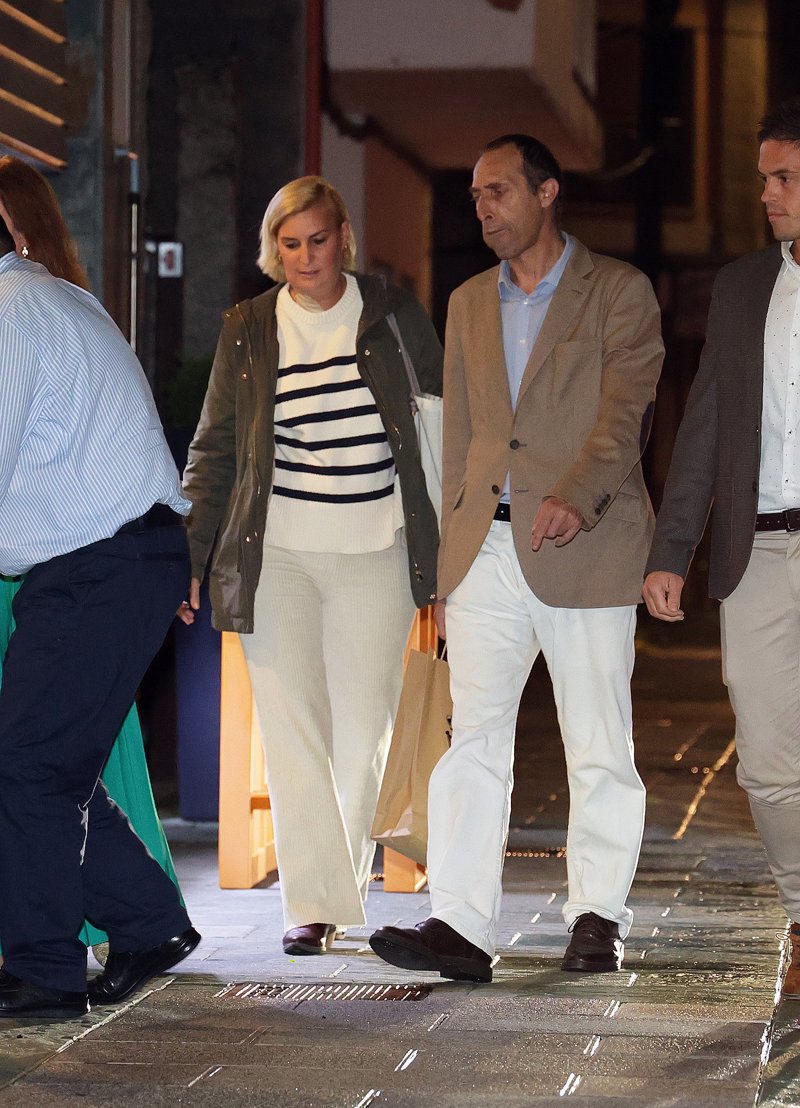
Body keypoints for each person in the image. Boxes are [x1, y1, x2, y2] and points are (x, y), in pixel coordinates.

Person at [370, 134, 664, 983]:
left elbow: (626, 413)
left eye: (498, 190)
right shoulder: (467, 301)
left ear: (547, 193)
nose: (483, 207)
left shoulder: (618, 291)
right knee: (471, 739)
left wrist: (580, 494)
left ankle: (598, 915)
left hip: (586, 544)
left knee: (598, 740)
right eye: (474, 195)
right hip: (485, 549)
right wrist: (444, 557)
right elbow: (461, 437)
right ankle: (460, 923)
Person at [181, 176, 442, 956]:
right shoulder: (249, 328)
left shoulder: (393, 315)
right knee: (293, 729)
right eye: (289, 243)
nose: (305, 257)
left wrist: (452, 552)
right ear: (274, 249)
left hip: (376, 548)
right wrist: (190, 553)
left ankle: (339, 883)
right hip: (277, 553)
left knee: (364, 730)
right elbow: (215, 447)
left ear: (343, 238)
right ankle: (315, 904)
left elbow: (442, 426)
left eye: (318, 240)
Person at [0, 197, 200, 1020]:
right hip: (117, 560)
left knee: (30, 767)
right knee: (47, 763)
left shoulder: (12, 312)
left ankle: (45, 972)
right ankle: (149, 924)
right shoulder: (52, 296)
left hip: (98, 565)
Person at [643, 97, 800, 999]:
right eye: (764, 179)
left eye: (784, 178)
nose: (767, 195)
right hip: (757, 554)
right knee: (770, 766)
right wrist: (672, 548)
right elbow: (701, 425)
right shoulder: (742, 288)